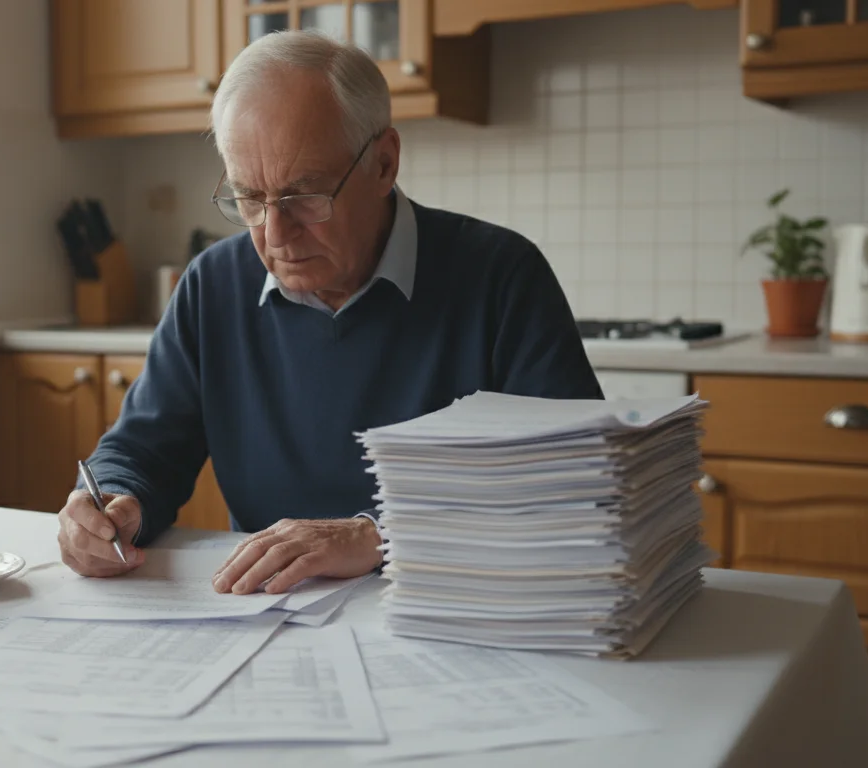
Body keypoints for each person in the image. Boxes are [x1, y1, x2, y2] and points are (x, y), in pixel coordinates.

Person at [56, 30, 602, 595]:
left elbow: (569, 486)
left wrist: (379, 536)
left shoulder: (501, 276)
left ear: (385, 163)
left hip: (459, 606)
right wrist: (111, 505)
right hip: (268, 616)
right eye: (248, 198)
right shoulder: (213, 284)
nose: (274, 234)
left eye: (304, 197)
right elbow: (143, 448)